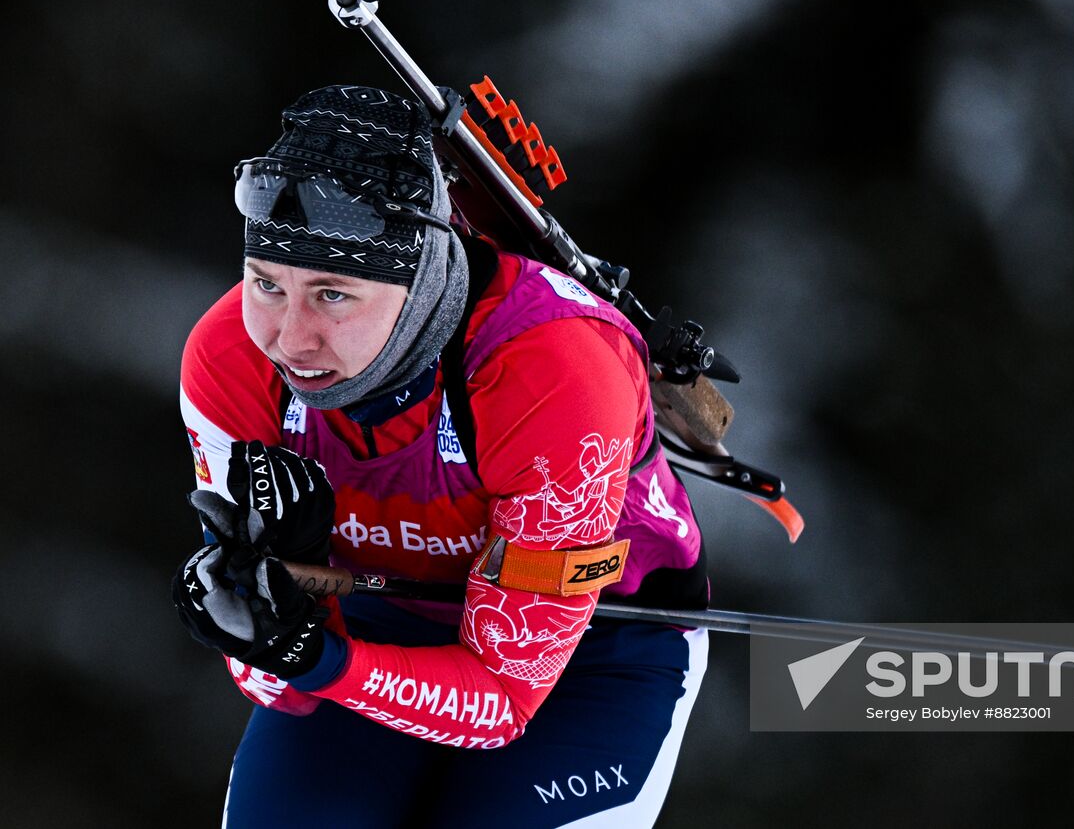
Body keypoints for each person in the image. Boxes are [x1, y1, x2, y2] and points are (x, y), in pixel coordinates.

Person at [171, 84, 710, 828]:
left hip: (598, 650)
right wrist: (280, 621)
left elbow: (500, 698)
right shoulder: (231, 357)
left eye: (333, 295)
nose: (290, 339)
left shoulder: (554, 371)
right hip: (378, 616)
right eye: (267, 284)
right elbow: (274, 685)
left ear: (419, 280)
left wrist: (318, 658)